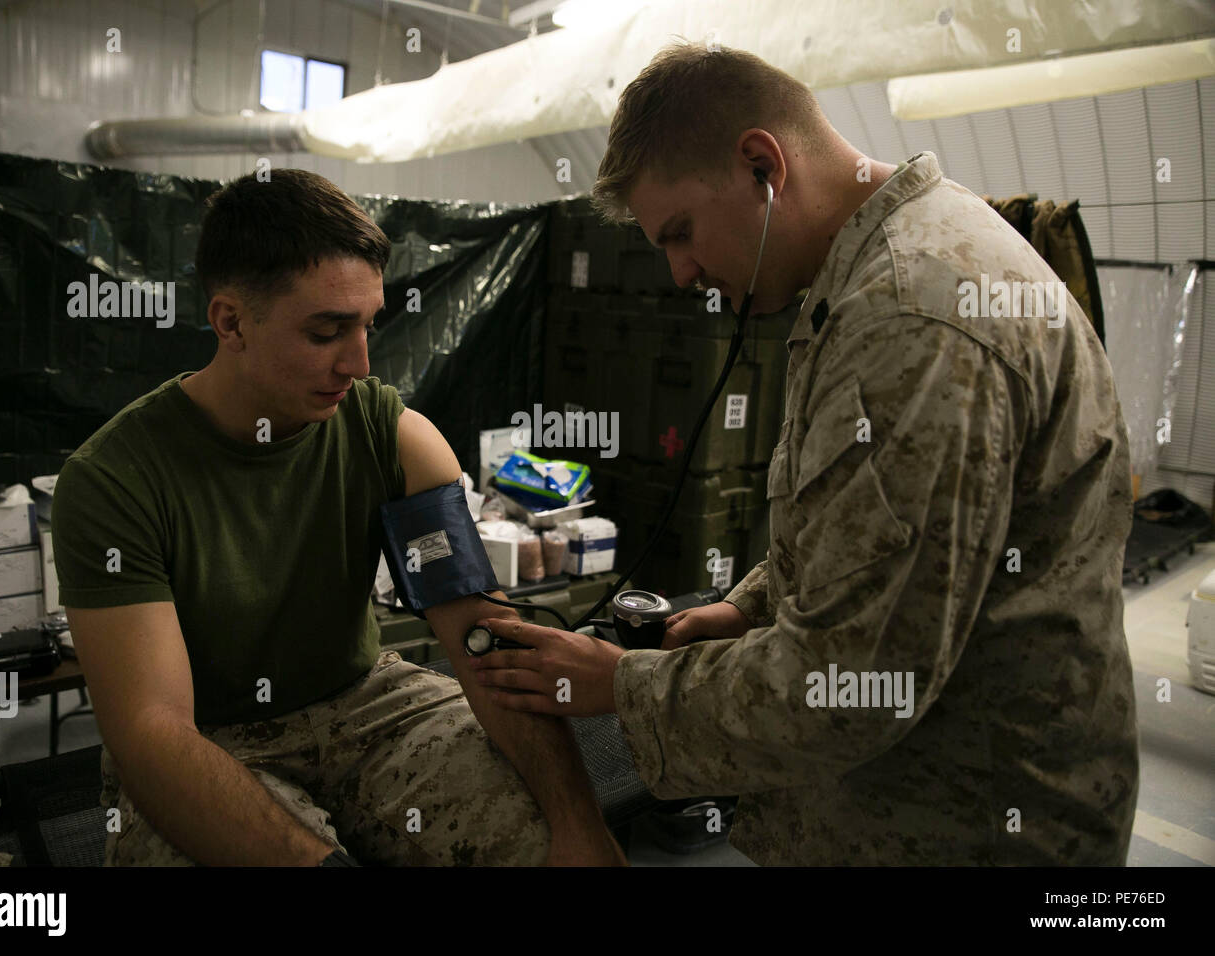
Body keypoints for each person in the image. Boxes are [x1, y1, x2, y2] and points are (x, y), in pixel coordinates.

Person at [470, 42, 1139, 865]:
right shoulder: (883, 269)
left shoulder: (909, 319)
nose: (680, 273)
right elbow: (869, 538)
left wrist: (620, 685)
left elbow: (849, 686)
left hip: (961, 827)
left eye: (680, 233)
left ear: (762, 164)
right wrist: (747, 609)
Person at [51, 168, 624, 866]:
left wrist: (579, 828)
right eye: (327, 331)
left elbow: (485, 642)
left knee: (538, 844)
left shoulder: (395, 440)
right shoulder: (114, 482)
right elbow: (152, 731)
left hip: (369, 707)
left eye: (367, 326)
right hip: (209, 740)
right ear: (230, 321)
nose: (358, 362)